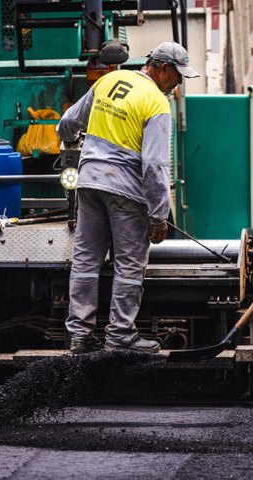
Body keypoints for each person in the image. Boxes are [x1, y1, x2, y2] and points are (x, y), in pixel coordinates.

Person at [57, 42, 199, 354]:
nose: (179, 83)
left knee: (85, 261)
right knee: (129, 264)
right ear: (162, 69)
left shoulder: (108, 81)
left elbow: (67, 123)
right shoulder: (156, 104)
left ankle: (79, 335)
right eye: (178, 76)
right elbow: (154, 166)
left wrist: (69, 141)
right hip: (126, 191)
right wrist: (159, 216)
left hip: (90, 183)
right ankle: (120, 334)